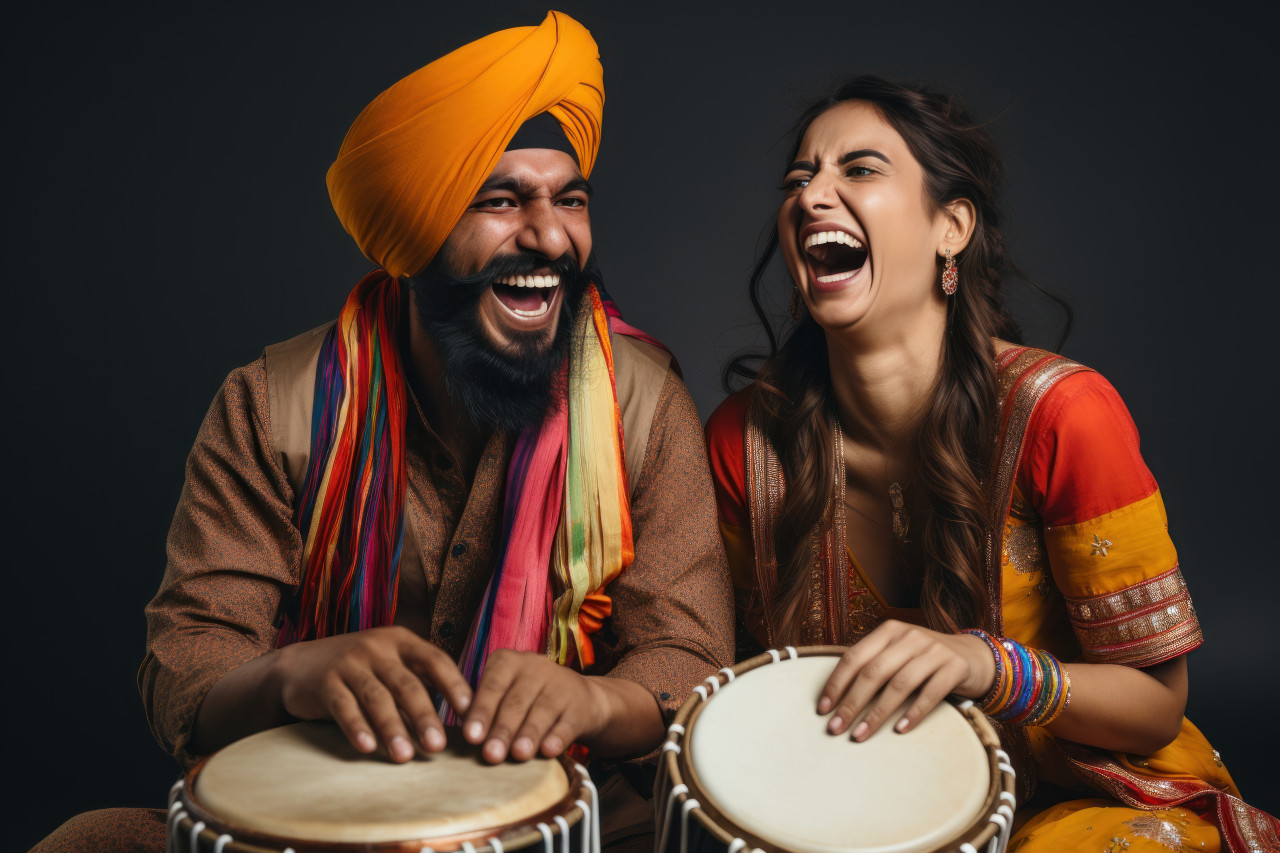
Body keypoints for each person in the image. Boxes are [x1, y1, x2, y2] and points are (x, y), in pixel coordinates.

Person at [34, 12, 732, 853]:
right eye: (502, 199)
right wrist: (294, 676)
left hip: (572, 826)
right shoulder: (271, 404)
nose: (550, 237)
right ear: (417, 232)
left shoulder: (644, 402)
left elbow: (689, 661)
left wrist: (592, 702)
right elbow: (186, 662)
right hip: (323, 817)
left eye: (570, 199)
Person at [705, 76, 1278, 852]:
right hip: (862, 811)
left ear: (953, 227)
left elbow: (1155, 703)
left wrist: (989, 665)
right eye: (799, 178)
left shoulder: (1062, 414)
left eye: (859, 170)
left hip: (1077, 799)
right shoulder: (744, 442)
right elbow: (741, 687)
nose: (812, 197)